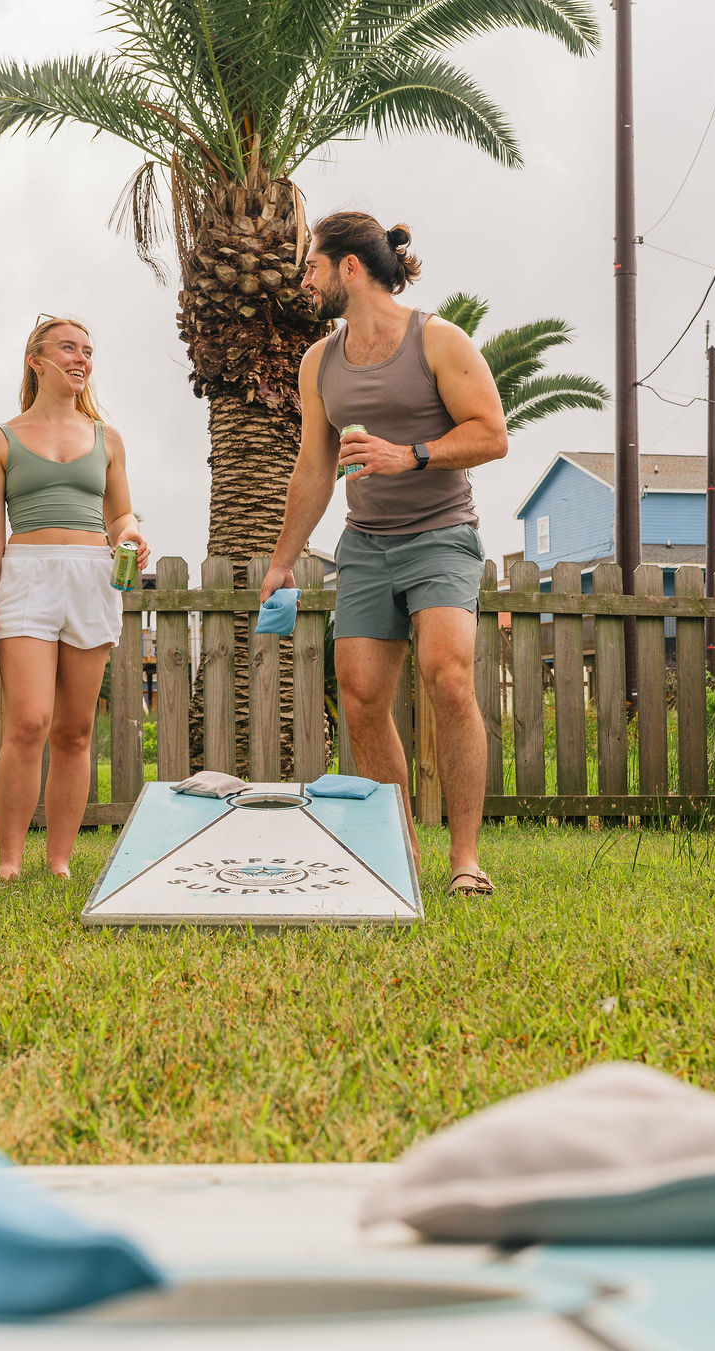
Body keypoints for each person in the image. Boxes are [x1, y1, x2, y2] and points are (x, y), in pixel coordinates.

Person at [259, 214, 509, 896]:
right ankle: (401, 856)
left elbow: (491, 433)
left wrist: (412, 455)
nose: (304, 280)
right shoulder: (321, 362)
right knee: (364, 698)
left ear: (349, 267)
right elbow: (314, 467)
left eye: (311, 266)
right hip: (365, 546)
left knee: (448, 677)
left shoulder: (436, 339)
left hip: (441, 534)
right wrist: (283, 561)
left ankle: (465, 859)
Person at [0, 316, 148, 881]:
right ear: (36, 361)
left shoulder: (107, 438)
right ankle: (9, 861)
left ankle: (61, 861)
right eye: (68, 348)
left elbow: (119, 513)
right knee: (27, 721)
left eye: (89, 351)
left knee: (75, 729)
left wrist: (131, 535)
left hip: (93, 576)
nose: (82, 359)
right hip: (25, 577)